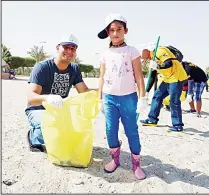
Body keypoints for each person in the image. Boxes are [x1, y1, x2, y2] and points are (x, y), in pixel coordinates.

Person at [98, 13, 147, 180]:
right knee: (110, 130)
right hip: (109, 97)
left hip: (128, 97)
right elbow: (102, 77)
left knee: (131, 131)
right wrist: (100, 99)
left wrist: (143, 98)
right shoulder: (104, 54)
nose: (115, 33)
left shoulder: (132, 51)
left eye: (119, 29)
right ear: (108, 33)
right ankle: (115, 160)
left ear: (125, 30)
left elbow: (139, 75)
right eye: (111, 30)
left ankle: (136, 164)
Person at [25, 34, 89, 152]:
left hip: (59, 109)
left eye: (73, 48)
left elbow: (84, 92)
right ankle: (33, 136)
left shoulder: (74, 69)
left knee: (71, 134)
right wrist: (48, 98)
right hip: (38, 109)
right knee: (47, 128)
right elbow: (31, 98)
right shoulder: (42, 67)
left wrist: (104, 97)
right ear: (57, 48)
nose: (69, 51)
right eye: (66, 47)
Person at [140, 46, 187, 132]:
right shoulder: (152, 60)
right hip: (168, 79)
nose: (145, 59)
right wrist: (146, 92)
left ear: (146, 52)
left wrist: (158, 67)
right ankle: (152, 119)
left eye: (143, 56)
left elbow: (169, 63)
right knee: (157, 96)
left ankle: (177, 125)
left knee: (174, 101)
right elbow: (152, 77)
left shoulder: (159, 51)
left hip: (177, 77)